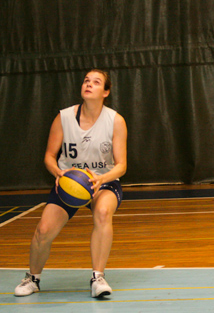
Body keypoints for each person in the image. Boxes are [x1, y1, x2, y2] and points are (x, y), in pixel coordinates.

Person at [14, 69, 128, 298]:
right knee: (43, 230)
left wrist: (101, 179)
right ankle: (33, 279)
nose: (89, 84)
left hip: (102, 181)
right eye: (86, 80)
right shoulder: (64, 117)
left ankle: (98, 278)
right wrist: (58, 172)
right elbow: (49, 156)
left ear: (105, 92)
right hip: (69, 183)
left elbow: (121, 166)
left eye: (96, 82)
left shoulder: (115, 121)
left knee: (103, 213)